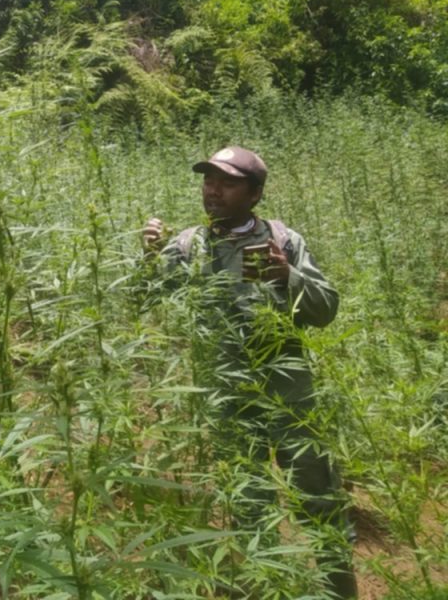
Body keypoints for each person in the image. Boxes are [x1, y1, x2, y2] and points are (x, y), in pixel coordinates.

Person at [142, 146, 357, 598]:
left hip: (290, 395)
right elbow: (146, 303)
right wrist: (149, 259)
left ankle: (339, 591)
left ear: (255, 194)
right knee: (248, 504)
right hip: (228, 400)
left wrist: (288, 278)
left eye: (227, 182)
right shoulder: (188, 246)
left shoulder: (283, 240)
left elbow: (327, 310)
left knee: (319, 499)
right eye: (208, 180)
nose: (213, 190)